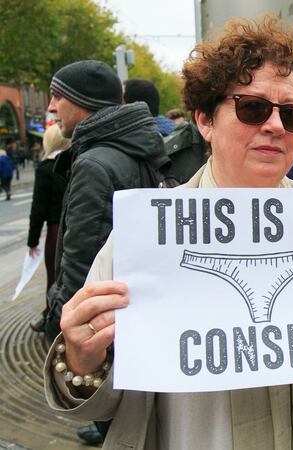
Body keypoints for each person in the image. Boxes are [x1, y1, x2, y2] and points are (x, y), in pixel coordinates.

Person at [44, 15, 293, 449]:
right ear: (205, 119)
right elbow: (101, 405)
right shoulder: (147, 238)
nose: (276, 126)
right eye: (253, 108)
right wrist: (80, 359)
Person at [45, 60, 170, 446]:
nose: (51, 108)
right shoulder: (137, 147)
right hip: (133, 309)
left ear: (81, 104)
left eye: (57, 97)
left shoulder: (95, 163)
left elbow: (79, 255)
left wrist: (61, 321)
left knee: (113, 414)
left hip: (104, 323)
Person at [27, 125, 70, 332]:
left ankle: (50, 317)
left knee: (53, 277)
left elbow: (38, 208)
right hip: (74, 224)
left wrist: (32, 241)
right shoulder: (75, 161)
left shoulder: (45, 168)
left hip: (54, 230)